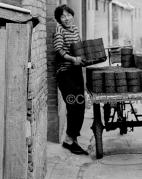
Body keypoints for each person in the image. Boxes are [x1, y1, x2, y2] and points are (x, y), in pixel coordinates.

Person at [53, 5, 88, 155]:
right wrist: (73, 59)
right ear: (59, 19)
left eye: (68, 15)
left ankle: (71, 138)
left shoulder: (75, 29)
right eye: (63, 16)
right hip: (65, 72)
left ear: (72, 16)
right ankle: (70, 140)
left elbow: (78, 48)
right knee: (72, 103)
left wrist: (82, 58)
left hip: (76, 71)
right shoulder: (59, 30)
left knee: (80, 104)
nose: (66, 18)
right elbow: (59, 50)